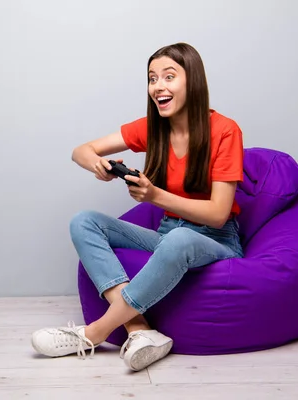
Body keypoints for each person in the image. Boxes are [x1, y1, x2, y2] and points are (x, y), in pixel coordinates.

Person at [31, 42, 244, 371]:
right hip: (168, 235)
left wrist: (155, 196)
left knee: (178, 239)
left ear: (193, 81)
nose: (158, 86)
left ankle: (93, 333)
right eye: (152, 78)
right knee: (84, 221)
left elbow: (218, 214)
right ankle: (139, 328)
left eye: (169, 76)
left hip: (217, 240)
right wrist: (98, 165)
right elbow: (81, 150)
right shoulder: (154, 127)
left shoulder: (225, 131)